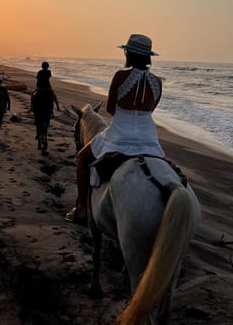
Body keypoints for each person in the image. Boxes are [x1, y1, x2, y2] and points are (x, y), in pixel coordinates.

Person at [66, 34, 163, 225]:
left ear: (129, 53)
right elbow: (151, 108)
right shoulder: (158, 82)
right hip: (148, 137)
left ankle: (82, 209)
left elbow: (111, 108)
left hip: (119, 133)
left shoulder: (121, 76)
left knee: (82, 158)